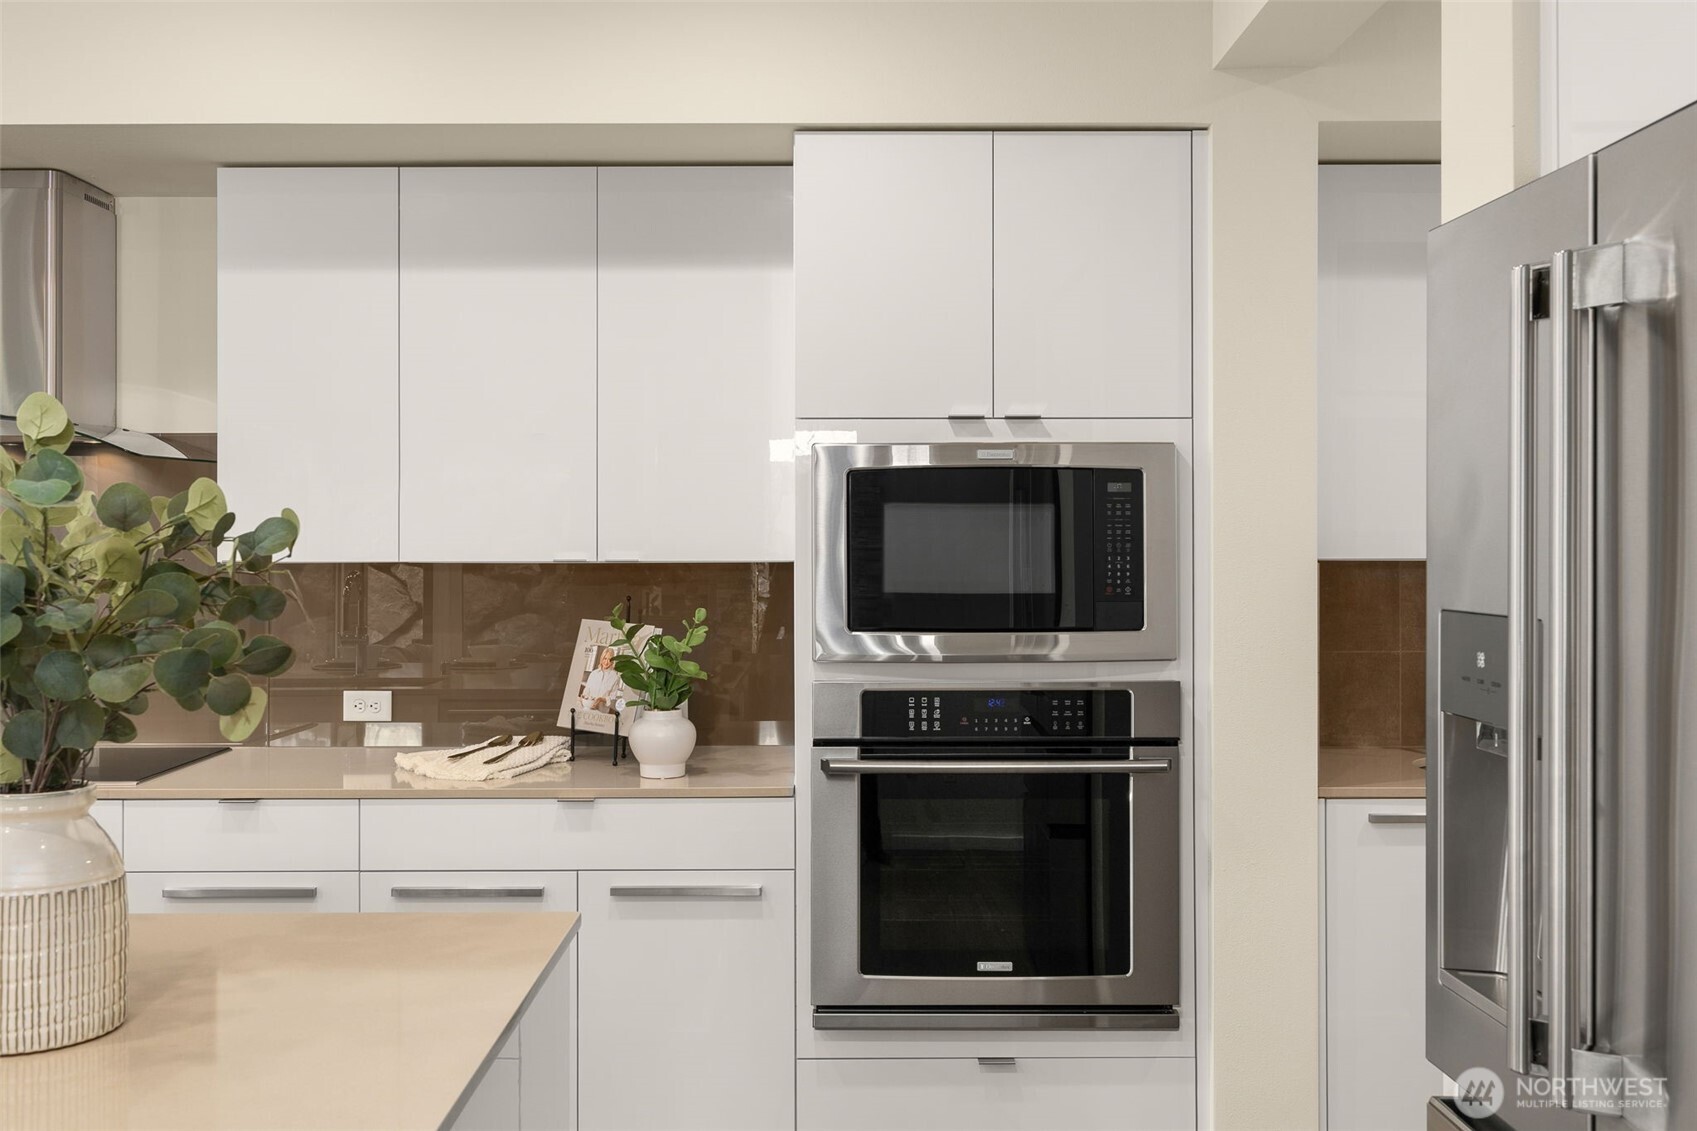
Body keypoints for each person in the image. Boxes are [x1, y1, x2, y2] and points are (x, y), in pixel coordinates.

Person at [579, 645, 623, 713]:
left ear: (612, 661)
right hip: (588, 708)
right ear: (601, 658)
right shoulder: (593, 673)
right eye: (605, 658)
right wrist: (584, 696)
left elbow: (613, 698)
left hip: (602, 711)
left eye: (609, 659)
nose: (606, 662)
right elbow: (587, 690)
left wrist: (602, 699)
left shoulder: (615, 677)